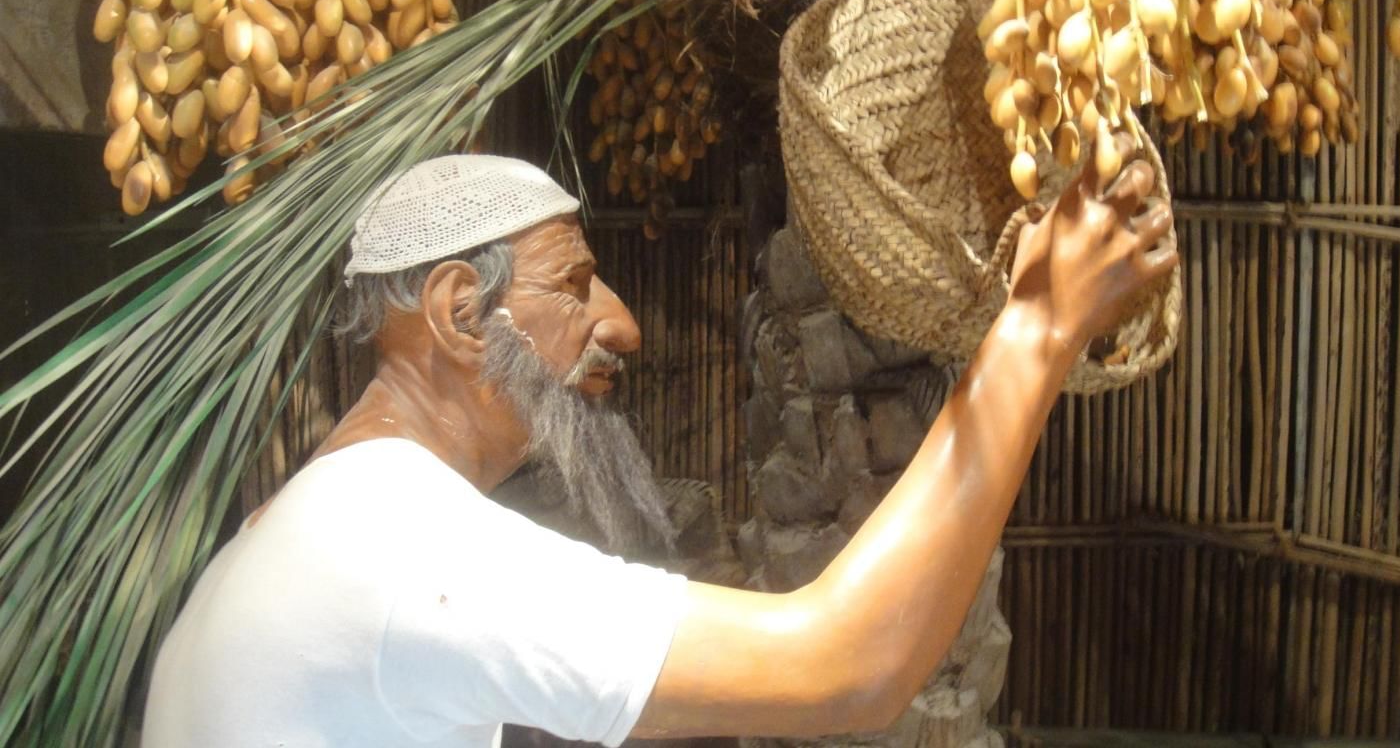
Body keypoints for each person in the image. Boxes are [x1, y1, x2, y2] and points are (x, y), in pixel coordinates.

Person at [142, 148, 1176, 748]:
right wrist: (1039, 328)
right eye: (576, 282)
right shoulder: (406, 550)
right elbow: (848, 666)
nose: (624, 323)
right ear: (462, 314)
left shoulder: (290, 533)